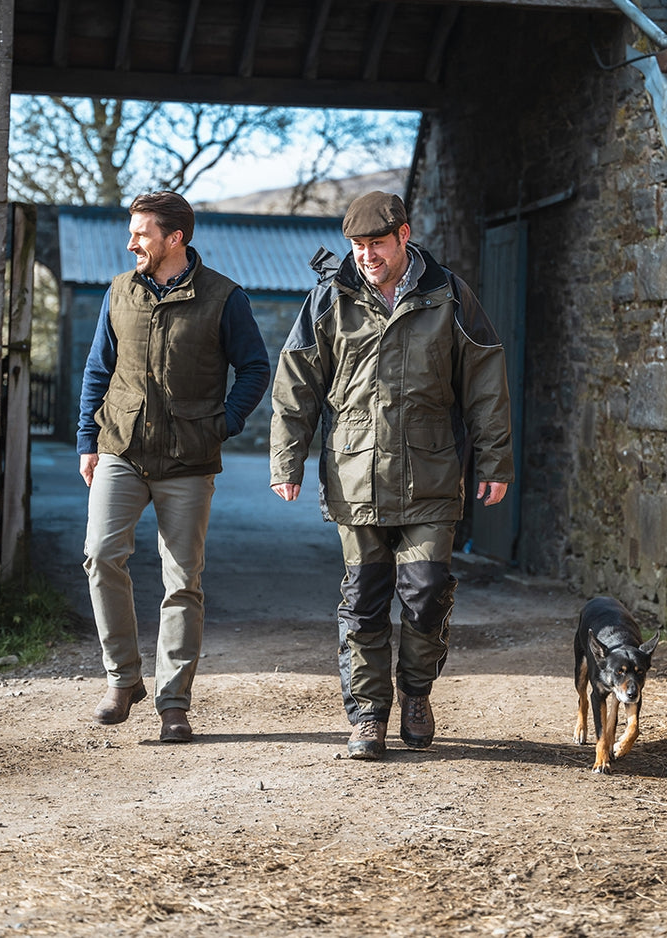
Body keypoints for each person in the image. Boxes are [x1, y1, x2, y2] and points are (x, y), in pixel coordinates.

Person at [269, 191, 513, 760]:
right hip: (355, 476)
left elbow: (485, 380)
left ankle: (416, 694)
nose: (366, 255)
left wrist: (495, 459)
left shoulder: (448, 294)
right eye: (357, 245)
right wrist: (287, 459)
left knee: (426, 593)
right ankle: (368, 715)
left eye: (377, 243)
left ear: (404, 235)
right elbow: (296, 381)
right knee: (364, 601)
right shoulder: (330, 297)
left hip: (431, 474)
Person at [78, 191, 270, 742]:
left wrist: (223, 423)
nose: (131, 243)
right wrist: (87, 439)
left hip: (189, 458)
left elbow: (255, 368)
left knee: (182, 581)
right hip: (121, 447)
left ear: (174, 238)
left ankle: (173, 703)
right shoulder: (120, 291)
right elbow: (98, 369)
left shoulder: (224, 297)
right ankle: (123, 679)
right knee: (100, 556)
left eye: (141, 233)